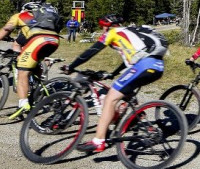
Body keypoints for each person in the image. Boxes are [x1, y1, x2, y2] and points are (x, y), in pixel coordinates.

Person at [63, 15, 167, 153]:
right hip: (157, 66)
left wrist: (72, 66)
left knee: (110, 98)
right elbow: (129, 59)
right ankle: (140, 123)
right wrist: (113, 73)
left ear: (107, 26)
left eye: (102, 26)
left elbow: (91, 51)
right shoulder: (130, 31)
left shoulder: (112, 33)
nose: (103, 29)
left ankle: (98, 141)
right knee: (126, 95)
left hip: (143, 65)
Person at [0, 0, 61, 119]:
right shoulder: (42, 19)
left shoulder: (20, 16)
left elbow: (6, 29)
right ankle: (36, 91)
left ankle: (23, 103)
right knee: (33, 65)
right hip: (54, 40)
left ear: (25, 9)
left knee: (22, 73)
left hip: (37, 40)